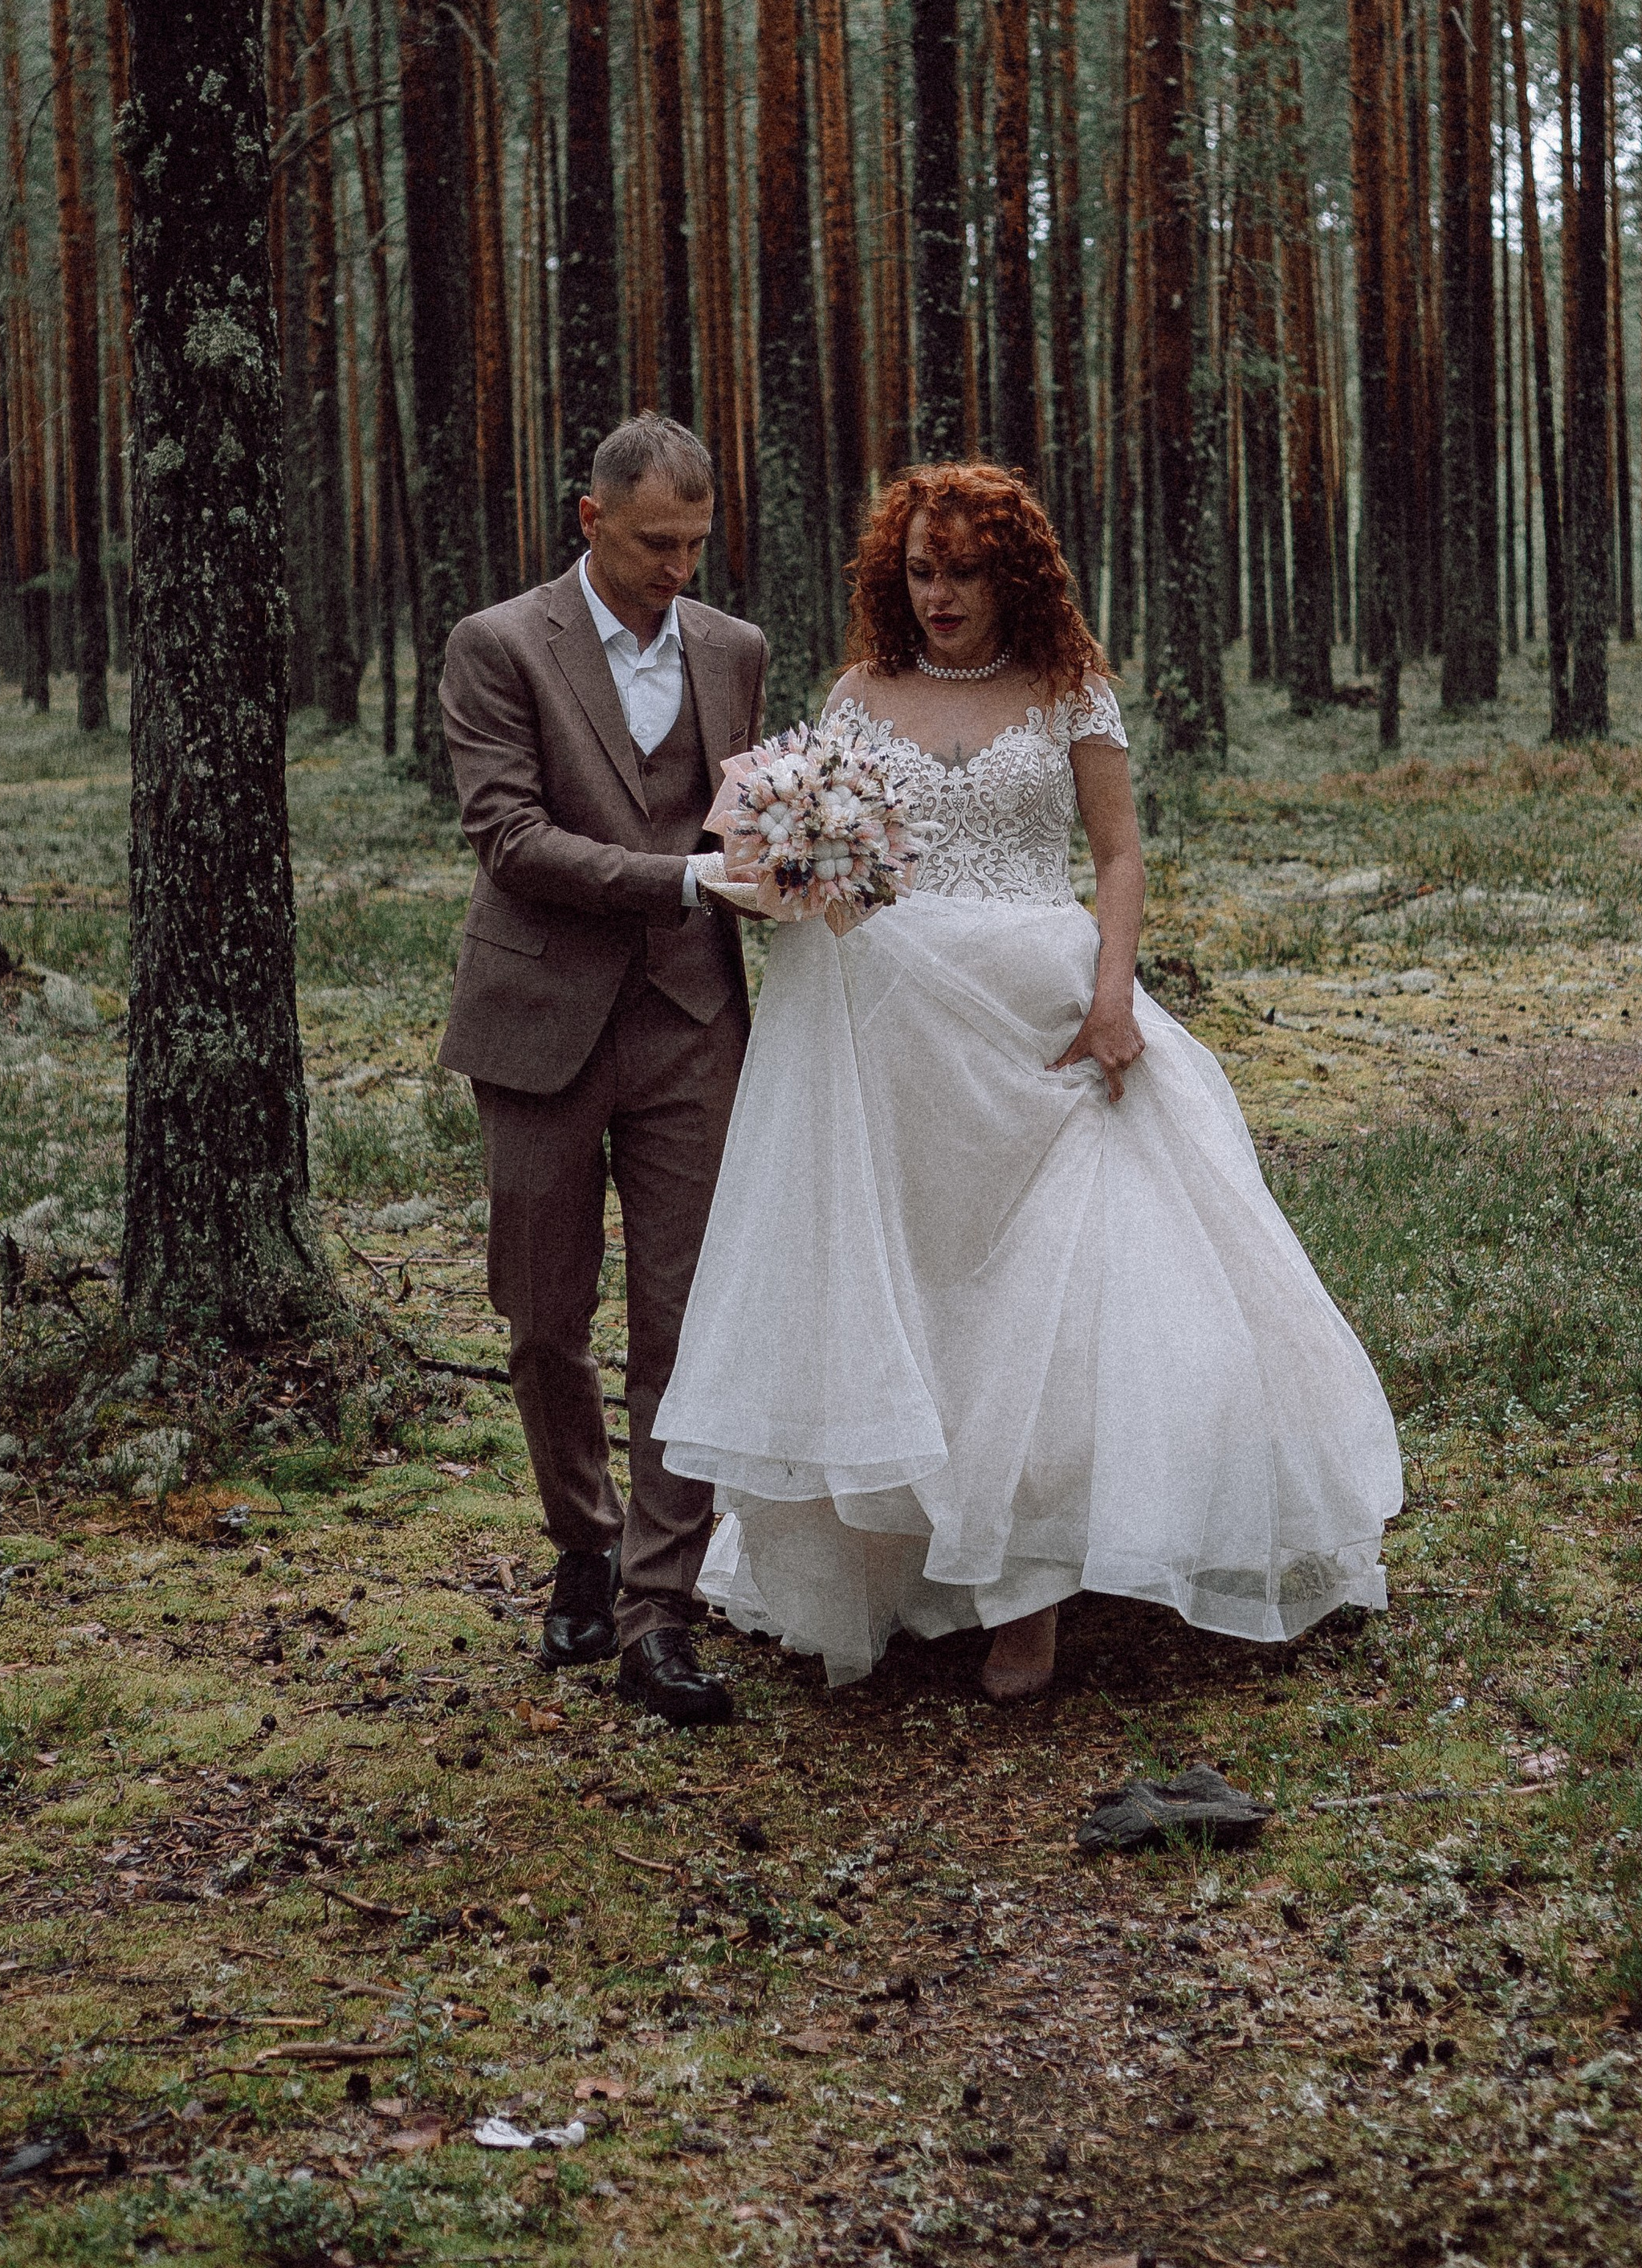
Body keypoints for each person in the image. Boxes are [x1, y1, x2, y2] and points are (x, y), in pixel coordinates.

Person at [656, 461, 1402, 1702]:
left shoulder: (1070, 693)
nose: (940, 596)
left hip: (1043, 1014)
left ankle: (1034, 1592)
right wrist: (779, 870)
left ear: (1016, 575)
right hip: (890, 1027)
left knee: (1061, 1298)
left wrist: (1116, 996)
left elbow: (1116, 854)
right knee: (913, 1290)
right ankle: (907, 1566)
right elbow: (814, 856)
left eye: (965, 571)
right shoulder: (856, 695)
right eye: (920, 573)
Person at [437, 414, 765, 1727]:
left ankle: (658, 1608)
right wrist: (682, 878)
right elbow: (506, 836)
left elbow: (744, 812)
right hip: (539, 1024)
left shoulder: (733, 650)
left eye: (694, 543)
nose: (678, 568)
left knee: (686, 1320)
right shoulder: (498, 645)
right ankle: (580, 1536)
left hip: (693, 1025)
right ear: (590, 521)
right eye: (652, 545)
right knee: (543, 1317)